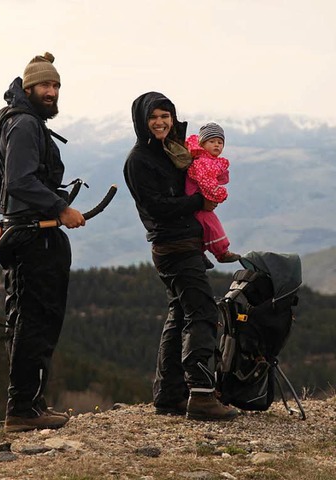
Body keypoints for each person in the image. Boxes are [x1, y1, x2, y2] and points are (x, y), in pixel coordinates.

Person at [0, 52, 85, 432]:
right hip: (35, 237)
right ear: (28, 88)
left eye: (56, 85)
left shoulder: (9, 121)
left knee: (25, 319)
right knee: (38, 321)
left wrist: (14, 211)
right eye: (45, 85)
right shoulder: (25, 125)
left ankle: (29, 403)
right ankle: (23, 409)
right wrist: (57, 208)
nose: (52, 91)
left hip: (18, 234)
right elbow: (20, 180)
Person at [123, 91, 238, 421]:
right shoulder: (139, 160)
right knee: (202, 311)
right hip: (172, 246)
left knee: (180, 314)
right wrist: (199, 204)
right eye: (153, 117)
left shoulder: (170, 151)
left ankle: (169, 395)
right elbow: (156, 207)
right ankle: (201, 394)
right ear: (142, 122)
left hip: (187, 242)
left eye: (165, 115)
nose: (160, 122)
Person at [185, 122, 240, 264]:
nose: (217, 145)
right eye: (212, 141)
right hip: (196, 198)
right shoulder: (203, 162)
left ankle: (200, 254)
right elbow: (206, 183)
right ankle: (222, 252)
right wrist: (219, 193)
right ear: (202, 144)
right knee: (212, 224)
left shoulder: (208, 161)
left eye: (220, 142)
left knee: (202, 229)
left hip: (197, 199)